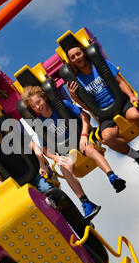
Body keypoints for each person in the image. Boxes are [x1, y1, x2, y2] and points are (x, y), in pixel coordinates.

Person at [21, 85, 127, 222]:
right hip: (68, 151)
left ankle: (113, 177)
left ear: (44, 98)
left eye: (39, 102)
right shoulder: (40, 123)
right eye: (34, 106)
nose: (38, 107)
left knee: (88, 149)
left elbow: (85, 116)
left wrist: (83, 134)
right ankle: (86, 203)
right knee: (63, 167)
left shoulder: (62, 105)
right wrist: (56, 158)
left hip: (83, 140)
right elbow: (45, 148)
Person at [65, 44, 139, 176]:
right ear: (71, 62)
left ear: (85, 53)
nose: (77, 58)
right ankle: (138, 156)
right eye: (73, 57)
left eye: (78, 54)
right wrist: (74, 96)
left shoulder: (100, 65)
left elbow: (120, 82)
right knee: (107, 137)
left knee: (134, 116)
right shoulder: (78, 81)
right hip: (104, 113)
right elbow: (89, 107)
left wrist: (132, 96)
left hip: (120, 103)